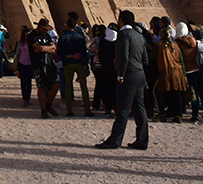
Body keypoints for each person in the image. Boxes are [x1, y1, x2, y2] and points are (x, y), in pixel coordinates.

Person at [96, 10, 148, 150]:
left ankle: (115, 140)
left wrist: (121, 74)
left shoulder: (124, 34)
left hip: (129, 74)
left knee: (122, 108)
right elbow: (145, 58)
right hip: (139, 73)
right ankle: (142, 140)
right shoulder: (138, 34)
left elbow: (123, 56)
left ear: (121, 20)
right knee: (139, 108)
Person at [58, 17, 93, 117]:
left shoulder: (63, 37)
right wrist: (86, 64)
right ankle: (87, 110)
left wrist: (70, 56)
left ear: (67, 25)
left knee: (68, 87)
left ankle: (69, 110)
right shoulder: (80, 37)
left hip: (68, 63)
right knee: (83, 87)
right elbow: (84, 51)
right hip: (80, 63)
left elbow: (60, 52)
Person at [152, 25, 187, 123]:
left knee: (158, 92)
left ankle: (162, 113)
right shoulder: (176, 46)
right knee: (176, 93)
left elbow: (152, 57)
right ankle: (177, 115)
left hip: (165, 71)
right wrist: (184, 75)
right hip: (177, 72)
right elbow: (181, 61)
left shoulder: (158, 46)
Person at [29, 18, 61, 119]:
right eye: (44, 29)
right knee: (41, 86)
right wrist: (45, 48)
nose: (45, 31)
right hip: (38, 64)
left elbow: (53, 48)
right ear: (39, 27)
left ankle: (49, 104)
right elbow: (42, 48)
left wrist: (43, 49)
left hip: (49, 63)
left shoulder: (46, 35)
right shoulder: (32, 36)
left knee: (57, 83)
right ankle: (43, 110)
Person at [15, 25, 33, 106]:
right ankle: (24, 99)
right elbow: (18, 53)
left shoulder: (32, 42)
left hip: (30, 64)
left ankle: (28, 98)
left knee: (28, 82)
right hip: (22, 62)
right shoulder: (21, 42)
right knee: (23, 82)